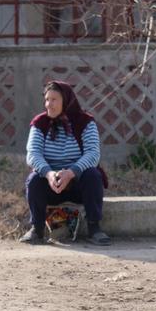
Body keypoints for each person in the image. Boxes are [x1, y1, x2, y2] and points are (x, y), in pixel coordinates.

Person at [22, 80, 111, 246]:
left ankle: (95, 228)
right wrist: (49, 174)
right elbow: (33, 154)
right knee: (34, 180)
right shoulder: (40, 123)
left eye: (54, 99)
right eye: (47, 99)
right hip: (52, 184)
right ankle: (37, 229)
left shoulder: (85, 122)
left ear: (66, 100)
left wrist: (71, 172)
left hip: (78, 183)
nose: (49, 104)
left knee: (93, 175)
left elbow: (93, 154)